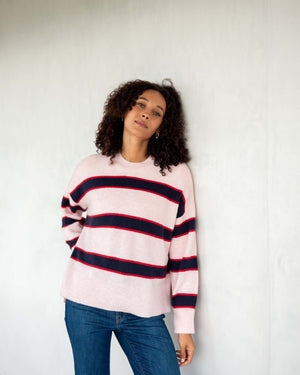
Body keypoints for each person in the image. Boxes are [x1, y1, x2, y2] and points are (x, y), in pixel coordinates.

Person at [61, 79, 198, 375]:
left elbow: (184, 253)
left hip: (144, 309)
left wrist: (185, 327)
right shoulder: (91, 167)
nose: (146, 113)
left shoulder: (175, 176)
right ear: (123, 110)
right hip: (85, 303)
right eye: (140, 104)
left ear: (163, 125)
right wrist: (88, 254)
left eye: (157, 111)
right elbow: (69, 214)